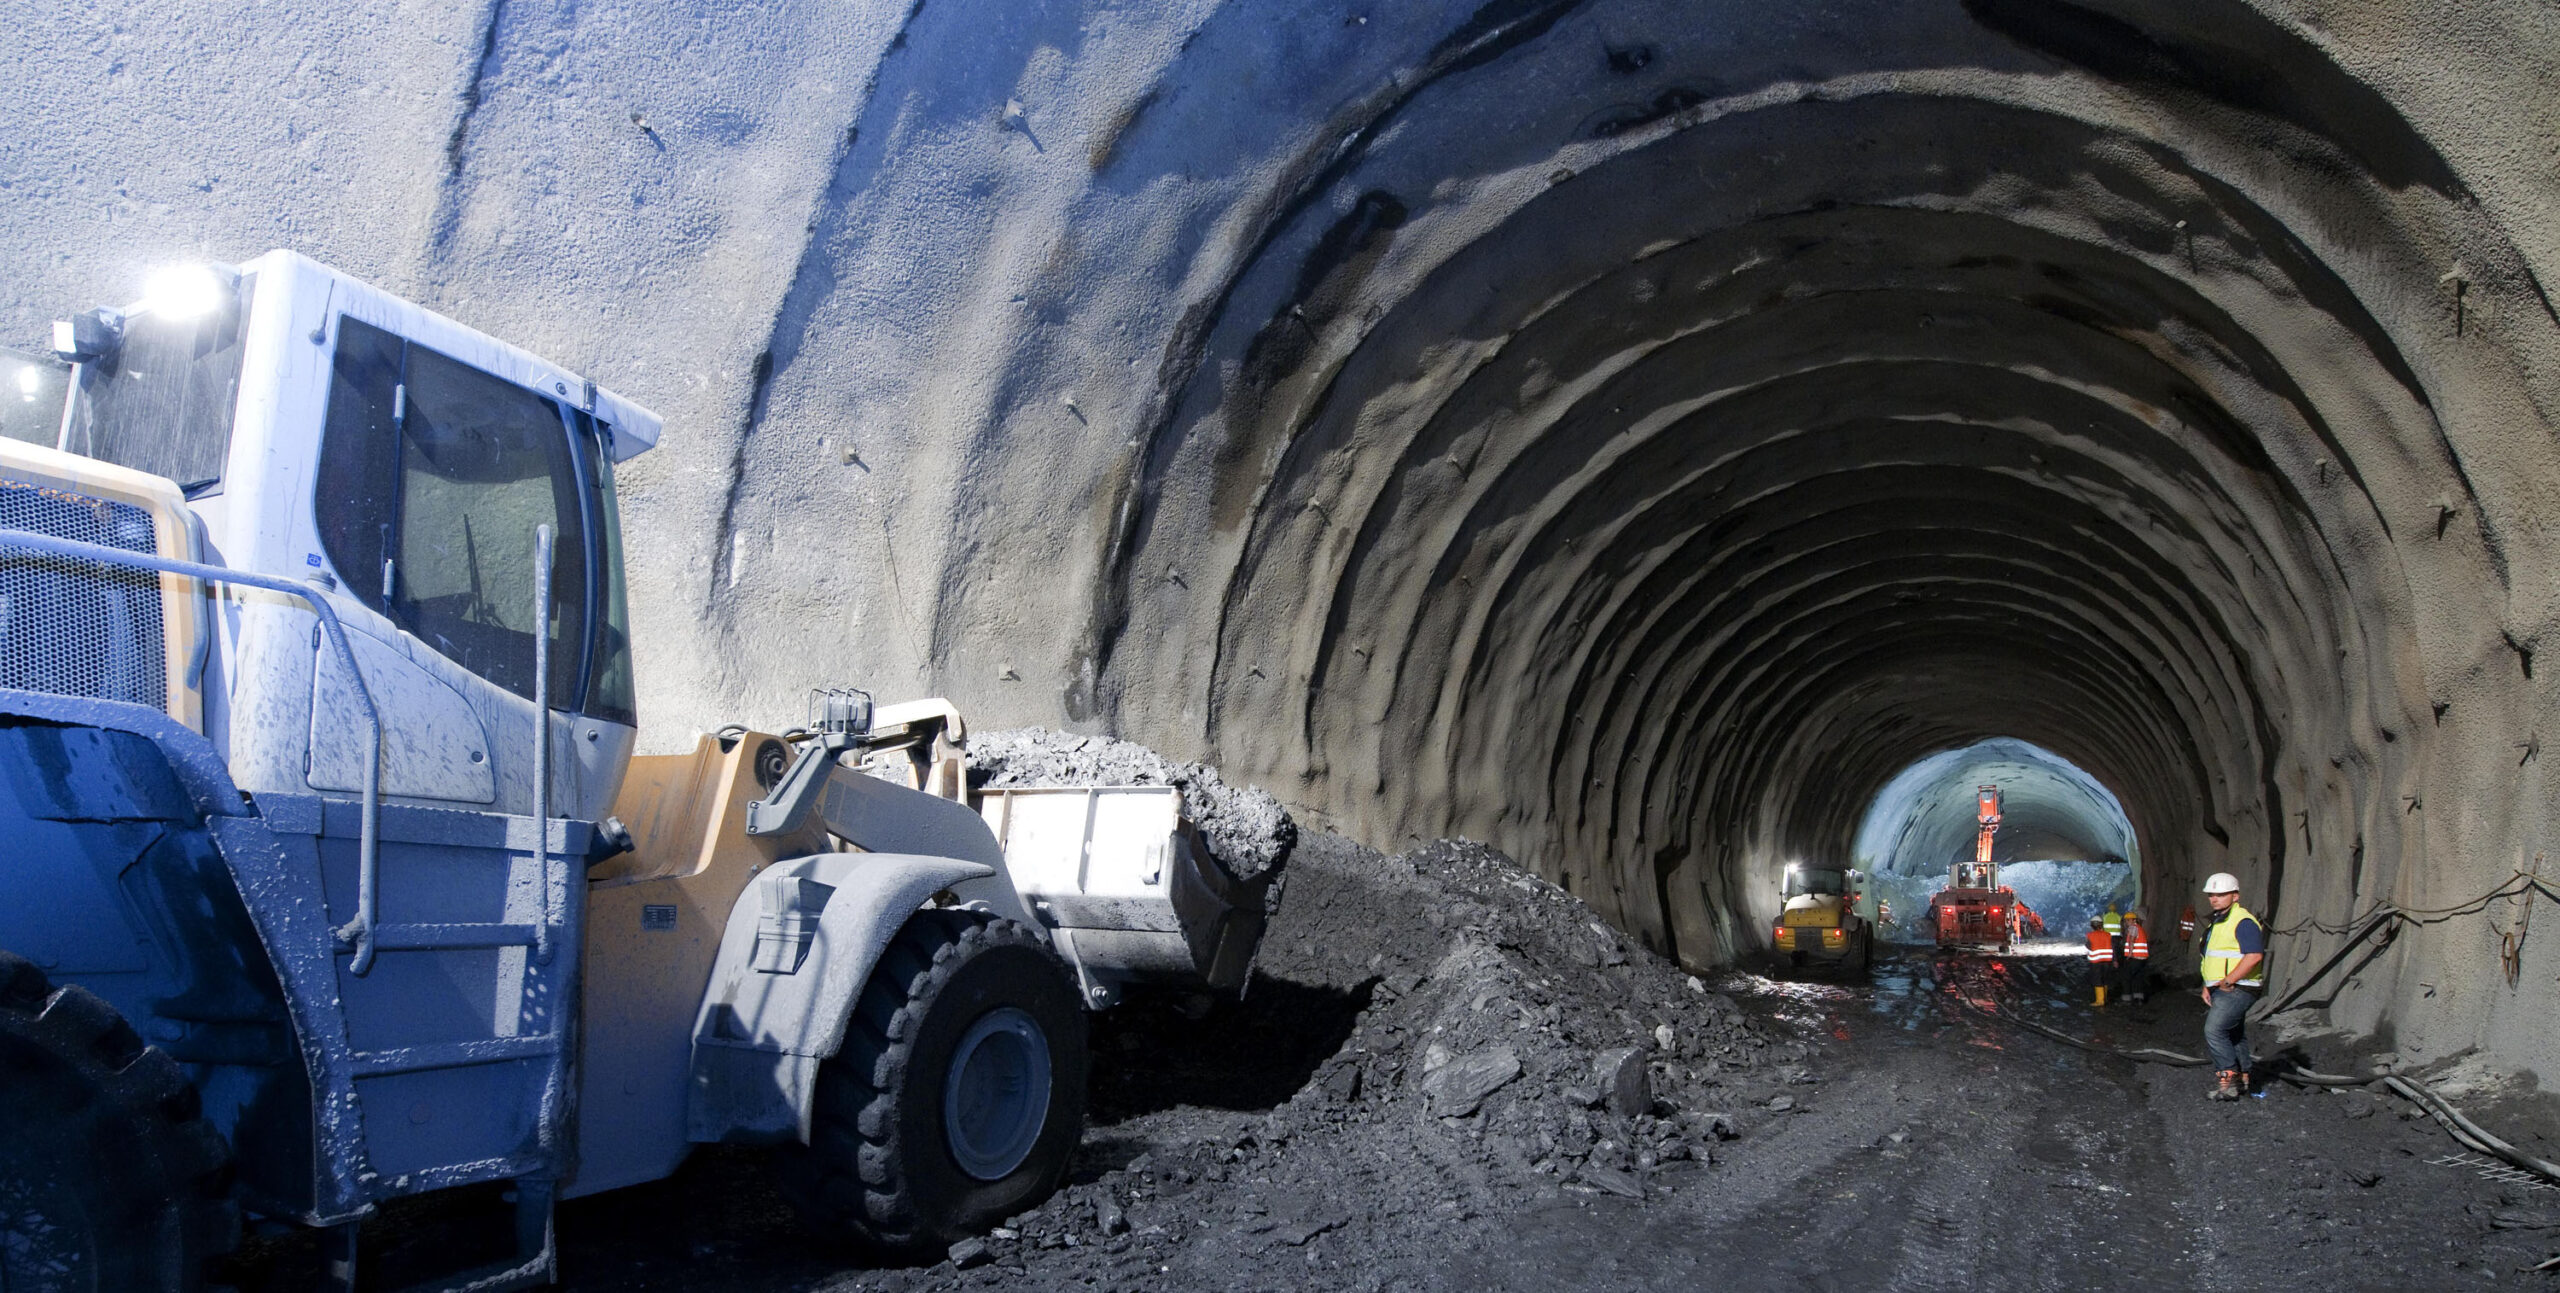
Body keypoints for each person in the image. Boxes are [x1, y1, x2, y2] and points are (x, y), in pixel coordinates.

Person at [2198, 872, 2267, 1101]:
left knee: (2214, 1030)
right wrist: (2208, 986)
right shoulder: (2219, 922)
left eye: (2221, 894)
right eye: (2211, 894)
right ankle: (2245, 1077)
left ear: (2235, 896)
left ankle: (2228, 1083)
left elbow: (2254, 956)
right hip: (2223, 988)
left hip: (2239, 987)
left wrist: (2229, 979)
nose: (2214, 899)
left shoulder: (2243, 922)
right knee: (2234, 1033)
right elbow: (2211, 957)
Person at [2119, 910, 2151, 1003]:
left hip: (2135, 958)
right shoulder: (2140, 928)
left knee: (2126, 977)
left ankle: (2127, 999)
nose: (2126, 922)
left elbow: (2132, 940)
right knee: (2138, 978)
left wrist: (2130, 954)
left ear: (2133, 920)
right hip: (2142, 959)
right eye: (2126, 920)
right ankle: (2139, 998)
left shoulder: (2133, 928)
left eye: (2128, 920)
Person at [2084, 915, 2115, 1006]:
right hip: (2107, 961)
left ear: (2092, 925)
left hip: (2096, 961)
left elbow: (2088, 946)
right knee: (2105, 979)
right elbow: (2112, 947)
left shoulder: (2090, 935)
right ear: (2101, 925)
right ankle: (2105, 998)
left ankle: (2100, 1001)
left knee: (2097, 980)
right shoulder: (2108, 934)